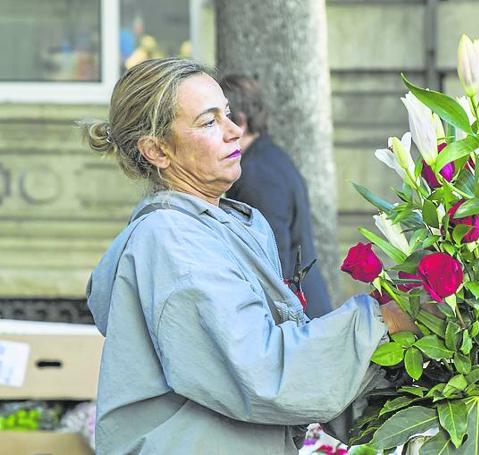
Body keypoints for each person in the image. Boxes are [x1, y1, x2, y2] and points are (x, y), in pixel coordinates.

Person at [81, 57, 414, 454]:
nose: (235, 130)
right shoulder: (173, 240)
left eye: (227, 113)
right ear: (157, 150)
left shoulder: (217, 224)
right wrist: (379, 321)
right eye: (209, 122)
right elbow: (259, 371)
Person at [220, 74, 332, 318]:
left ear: (240, 122)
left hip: (296, 318)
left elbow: (271, 264)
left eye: (219, 120)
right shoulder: (270, 158)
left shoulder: (258, 174)